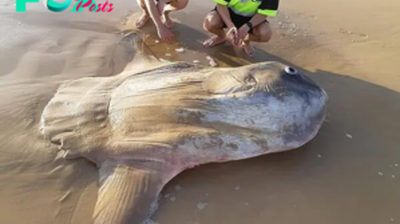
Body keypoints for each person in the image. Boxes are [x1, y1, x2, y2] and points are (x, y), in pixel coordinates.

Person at [203, 0, 279, 57]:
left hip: (251, 19)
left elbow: (263, 13)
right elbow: (221, 4)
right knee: (210, 22)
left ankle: (245, 41)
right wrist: (230, 25)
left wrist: (248, 26)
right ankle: (221, 36)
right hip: (228, 12)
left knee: (265, 34)